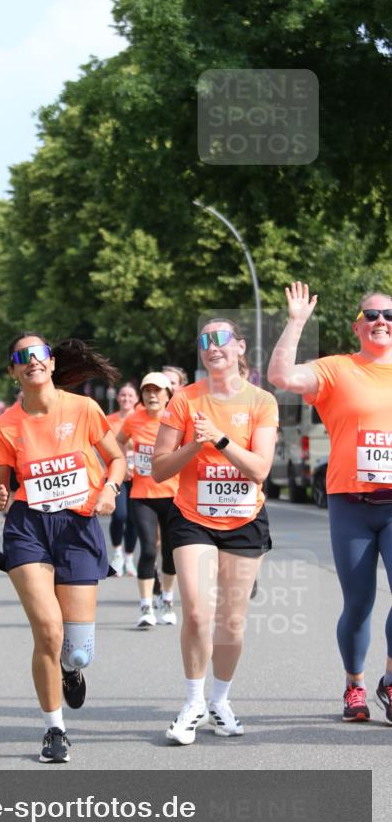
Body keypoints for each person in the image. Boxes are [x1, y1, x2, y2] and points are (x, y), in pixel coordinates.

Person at [0, 333, 126, 763]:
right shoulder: (6, 424)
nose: (32, 360)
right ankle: (54, 730)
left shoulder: (83, 408)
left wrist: (110, 489)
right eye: (21, 357)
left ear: (50, 362)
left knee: (77, 648)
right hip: (28, 526)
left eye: (38, 353)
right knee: (47, 629)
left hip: (79, 525)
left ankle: (70, 669)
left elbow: (116, 459)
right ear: (13, 370)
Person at [268, 283, 392, 724]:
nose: (382, 322)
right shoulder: (338, 369)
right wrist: (297, 322)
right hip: (351, 503)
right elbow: (280, 377)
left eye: (390, 316)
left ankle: (391, 681)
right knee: (358, 603)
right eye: (373, 315)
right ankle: (355, 685)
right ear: (359, 326)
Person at [153, 318, 278, 744]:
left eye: (221, 339)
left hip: (244, 519)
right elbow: (159, 467)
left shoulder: (262, 401)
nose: (213, 346)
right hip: (193, 517)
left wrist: (221, 440)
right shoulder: (184, 400)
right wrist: (195, 444)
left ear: (240, 347)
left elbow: (261, 469)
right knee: (197, 612)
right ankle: (193, 702)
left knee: (232, 621)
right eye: (205, 340)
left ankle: (220, 700)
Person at [117, 373, 181, 628]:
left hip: (172, 495)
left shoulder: (176, 419)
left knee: (169, 552)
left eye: (157, 391)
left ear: (168, 395)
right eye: (147, 391)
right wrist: (124, 466)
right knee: (148, 549)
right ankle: (145, 607)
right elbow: (118, 442)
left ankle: (166, 600)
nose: (152, 396)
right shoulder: (134, 419)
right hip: (142, 494)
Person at [106, 382, 140, 577]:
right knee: (119, 515)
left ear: (136, 399)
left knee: (133, 519)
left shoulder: (143, 419)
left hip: (139, 476)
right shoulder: (109, 420)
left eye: (130, 396)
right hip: (116, 474)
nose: (126, 399)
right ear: (118, 398)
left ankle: (129, 558)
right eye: (123, 395)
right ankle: (117, 553)